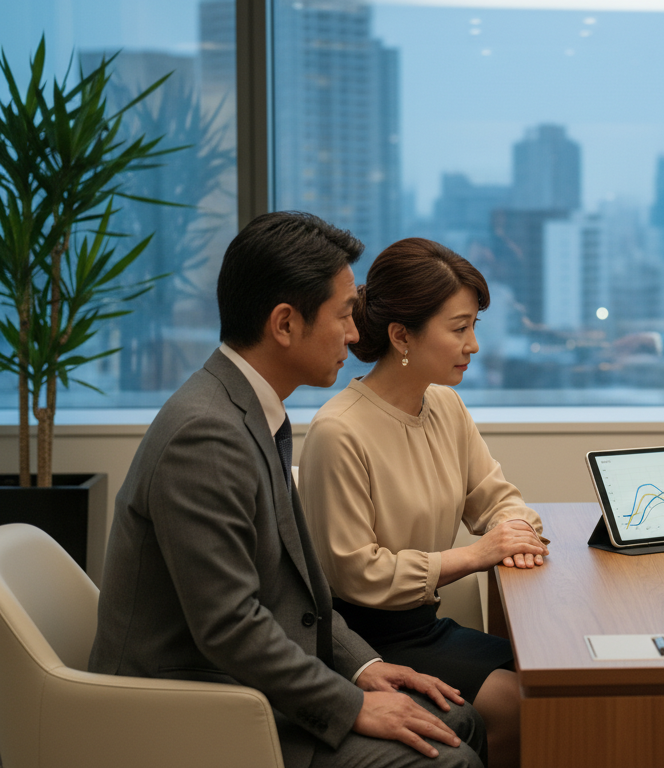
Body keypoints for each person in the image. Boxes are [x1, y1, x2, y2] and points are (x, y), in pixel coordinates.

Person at [89, 212, 487, 768]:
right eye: (344, 314)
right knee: (450, 757)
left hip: (244, 681)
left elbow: (290, 593)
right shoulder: (204, 435)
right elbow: (230, 627)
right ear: (284, 324)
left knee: (459, 717)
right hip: (193, 705)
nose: (355, 333)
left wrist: (365, 668)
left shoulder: (249, 410)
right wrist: (351, 705)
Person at [298, 238, 549, 768]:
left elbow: (496, 498)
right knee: (523, 703)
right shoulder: (339, 431)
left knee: (553, 677)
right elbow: (355, 574)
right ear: (401, 335)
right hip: (366, 643)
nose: (473, 345)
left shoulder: (445, 404)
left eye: (474, 326)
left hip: (424, 624)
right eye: (459, 329)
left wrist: (517, 532)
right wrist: (477, 554)